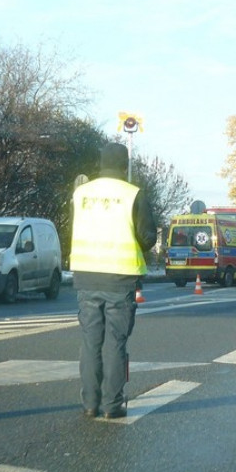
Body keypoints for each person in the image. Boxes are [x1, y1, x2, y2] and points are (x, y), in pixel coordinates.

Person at [70, 142, 157, 419]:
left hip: (85, 275)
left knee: (90, 342)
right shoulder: (133, 195)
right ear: (124, 165)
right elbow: (148, 237)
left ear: (99, 163)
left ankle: (89, 404)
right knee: (115, 343)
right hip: (119, 278)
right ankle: (112, 405)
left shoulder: (80, 193)